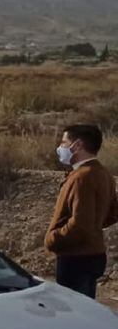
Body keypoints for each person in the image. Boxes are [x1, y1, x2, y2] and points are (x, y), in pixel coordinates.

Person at [44, 124, 118, 298]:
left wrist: (52, 239)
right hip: (93, 254)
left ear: (77, 145)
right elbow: (112, 211)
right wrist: (95, 225)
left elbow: (80, 223)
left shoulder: (82, 177)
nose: (60, 148)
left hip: (76, 258)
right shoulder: (102, 173)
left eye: (64, 142)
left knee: (74, 314)